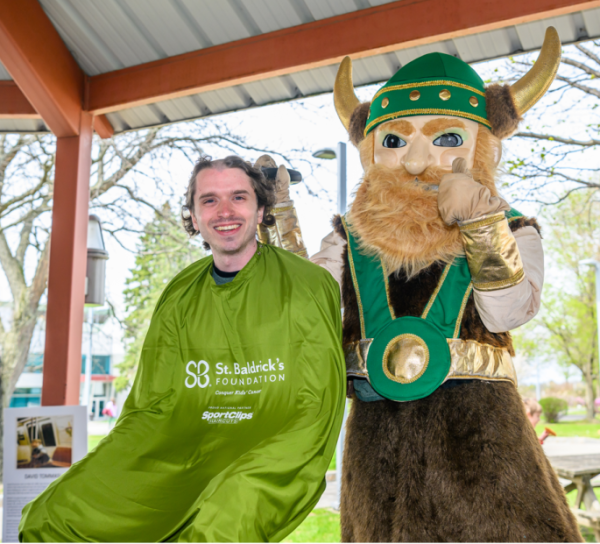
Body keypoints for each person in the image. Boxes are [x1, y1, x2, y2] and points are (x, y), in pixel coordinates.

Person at [260, 28, 581, 541]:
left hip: (483, 456)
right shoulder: (347, 242)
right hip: (376, 456)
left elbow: (506, 313)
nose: (413, 160)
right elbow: (301, 309)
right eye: (394, 140)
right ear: (371, 150)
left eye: (446, 137)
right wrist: (277, 221)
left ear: (481, 145)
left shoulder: (512, 228)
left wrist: (480, 221)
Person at [19, 156, 345, 542]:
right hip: (183, 446)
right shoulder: (179, 293)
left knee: (220, 521)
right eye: (209, 200)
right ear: (192, 216)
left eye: (238, 197)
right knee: (55, 513)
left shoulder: (307, 285)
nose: (224, 211)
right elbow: (151, 404)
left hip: (270, 447)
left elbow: (316, 402)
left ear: (261, 211)